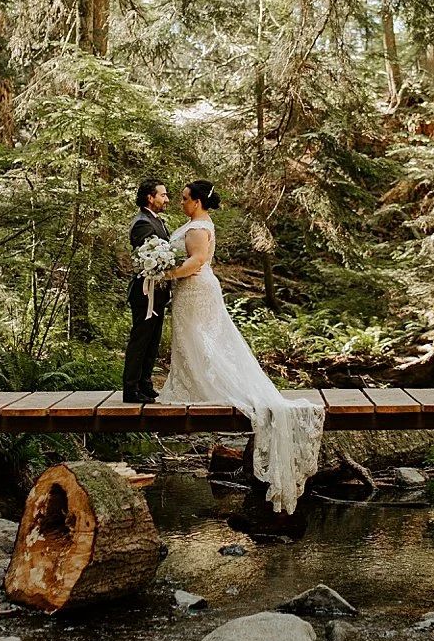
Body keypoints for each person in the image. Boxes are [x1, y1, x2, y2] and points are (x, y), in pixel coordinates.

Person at [158, 180, 324, 514]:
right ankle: (192, 382)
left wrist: (166, 273)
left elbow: (198, 261)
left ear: (199, 201)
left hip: (194, 289)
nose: (181, 202)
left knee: (203, 340)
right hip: (193, 291)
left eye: (185, 198)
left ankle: (203, 386)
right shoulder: (198, 224)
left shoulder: (199, 228)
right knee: (196, 340)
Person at [122, 180, 170, 404]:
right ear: (150, 198)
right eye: (163, 195)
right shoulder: (142, 223)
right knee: (140, 340)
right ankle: (130, 388)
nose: (166, 199)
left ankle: (145, 383)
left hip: (157, 292)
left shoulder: (154, 219)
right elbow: (146, 257)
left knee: (153, 340)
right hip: (145, 292)